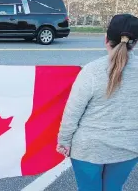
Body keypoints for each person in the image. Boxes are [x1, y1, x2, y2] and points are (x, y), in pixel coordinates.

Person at [57, 14, 138, 191]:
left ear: (106, 39)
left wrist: (64, 141)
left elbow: (73, 111)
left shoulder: (92, 70)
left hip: (88, 148)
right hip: (128, 147)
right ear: (135, 43)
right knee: (113, 188)